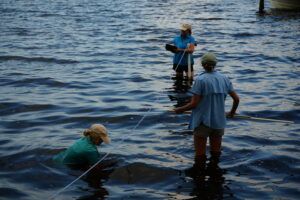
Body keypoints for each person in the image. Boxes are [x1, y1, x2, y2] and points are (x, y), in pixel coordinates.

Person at [174, 53, 239, 163]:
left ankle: (199, 177)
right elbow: (236, 99)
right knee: (216, 154)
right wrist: (231, 113)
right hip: (219, 121)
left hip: (202, 122)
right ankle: (216, 176)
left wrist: (180, 109)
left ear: (202, 64)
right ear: (215, 64)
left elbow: (194, 104)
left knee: (200, 156)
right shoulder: (224, 78)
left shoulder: (200, 80)